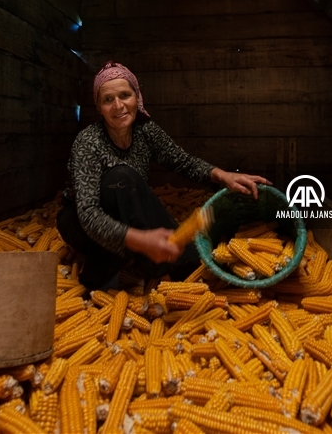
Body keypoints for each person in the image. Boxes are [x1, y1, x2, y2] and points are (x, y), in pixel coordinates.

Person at [57, 61, 271, 290]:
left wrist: (222, 175)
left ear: (137, 97)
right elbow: (89, 214)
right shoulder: (89, 142)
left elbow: (182, 161)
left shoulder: (145, 131)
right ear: (99, 107)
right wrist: (141, 240)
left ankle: (164, 267)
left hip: (125, 213)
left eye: (124, 95)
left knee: (133, 193)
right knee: (122, 178)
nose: (118, 105)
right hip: (80, 222)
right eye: (108, 100)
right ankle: (174, 267)